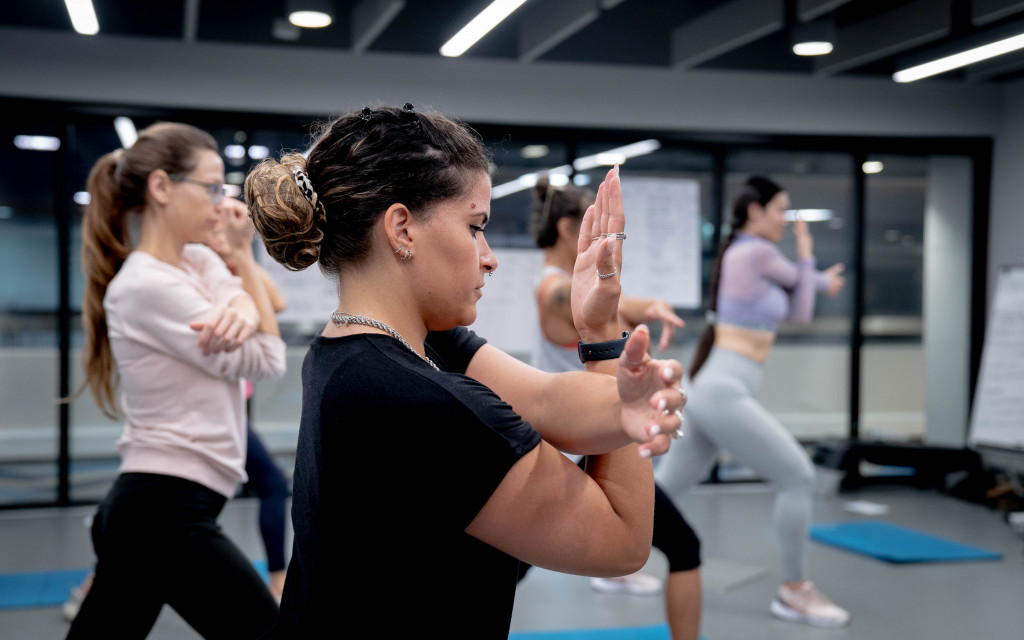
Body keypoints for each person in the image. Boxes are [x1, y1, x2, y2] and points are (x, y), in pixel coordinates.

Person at [244, 103, 686, 638]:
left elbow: (550, 403)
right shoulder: (405, 398)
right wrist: (626, 402)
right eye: (475, 227)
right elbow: (622, 541)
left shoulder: (383, 345)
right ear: (401, 229)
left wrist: (603, 337)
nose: (490, 256)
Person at [66, 122, 286, 639]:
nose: (220, 201)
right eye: (210, 187)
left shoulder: (196, 260)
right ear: (162, 187)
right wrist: (241, 299)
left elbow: (261, 302)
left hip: (156, 509)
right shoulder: (144, 286)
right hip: (164, 510)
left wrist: (238, 295)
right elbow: (267, 358)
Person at [654, 175, 848, 628]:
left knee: (663, 491)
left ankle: (610, 563)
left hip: (715, 390)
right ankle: (795, 591)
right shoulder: (757, 251)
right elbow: (803, 283)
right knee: (798, 476)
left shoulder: (754, 257)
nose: (784, 220)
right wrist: (811, 264)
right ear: (755, 210)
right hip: (722, 390)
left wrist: (811, 273)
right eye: (780, 210)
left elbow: (799, 312)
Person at [527, 176, 702, 640]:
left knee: (683, 546)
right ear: (568, 230)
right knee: (505, 565)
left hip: (588, 436)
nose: (603, 245)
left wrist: (647, 306)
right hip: (572, 444)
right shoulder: (551, 290)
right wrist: (643, 304)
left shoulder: (558, 286)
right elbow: (572, 299)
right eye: (591, 231)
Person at [209, 198, 292, 602]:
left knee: (163, 511)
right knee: (274, 486)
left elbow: (276, 303)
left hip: (229, 409)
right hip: (213, 411)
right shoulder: (202, 275)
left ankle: (96, 581)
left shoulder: (236, 270)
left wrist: (241, 256)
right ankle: (277, 579)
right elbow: (263, 321)